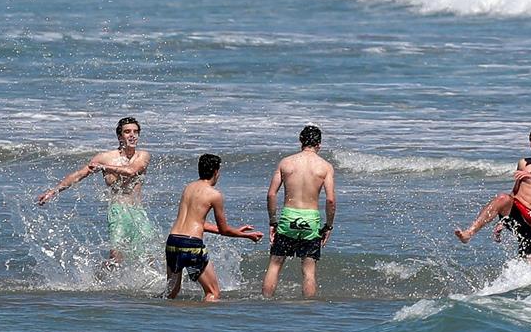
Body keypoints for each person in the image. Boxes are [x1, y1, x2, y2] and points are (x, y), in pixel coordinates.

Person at [36, 117, 157, 266]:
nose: (132, 135)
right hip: (118, 211)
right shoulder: (104, 157)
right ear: (120, 136)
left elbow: (132, 171)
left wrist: (104, 168)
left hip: (138, 211)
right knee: (116, 259)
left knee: (148, 257)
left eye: (135, 131)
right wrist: (53, 191)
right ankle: (98, 281)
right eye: (127, 132)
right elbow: (79, 175)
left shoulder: (143, 155)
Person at [454, 125, 531, 262]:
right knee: (502, 197)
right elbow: (515, 193)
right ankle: (469, 233)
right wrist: (503, 220)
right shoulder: (524, 163)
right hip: (517, 211)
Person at [164, 154, 262, 301]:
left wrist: (235, 230)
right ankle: (201, 323)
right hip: (192, 245)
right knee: (213, 293)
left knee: (171, 292)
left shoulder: (188, 188)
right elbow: (224, 230)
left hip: (173, 242)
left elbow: (195, 222)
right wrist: (246, 235)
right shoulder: (214, 195)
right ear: (216, 172)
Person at [262, 125, 336, 299]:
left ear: (301, 141)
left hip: (288, 217)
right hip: (311, 220)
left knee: (275, 264)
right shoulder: (325, 167)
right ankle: (307, 309)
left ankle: (264, 304)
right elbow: (330, 200)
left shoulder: (286, 163)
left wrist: (273, 222)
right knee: (309, 270)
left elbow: (271, 194)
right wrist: (329, 226)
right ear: (319, 144)